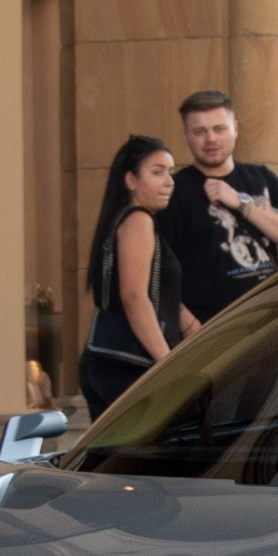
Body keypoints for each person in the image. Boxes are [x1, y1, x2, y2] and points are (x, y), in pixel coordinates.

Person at [164, 89, 278, 325]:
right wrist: (190, 328)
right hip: (211, 331)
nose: (210, 139)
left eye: (219, 129)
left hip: (267, 323)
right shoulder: (176, 191)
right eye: (200, 131)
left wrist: (242, 203)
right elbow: (159, 274)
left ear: (236, 129)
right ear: (186, 135)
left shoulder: (261, 178)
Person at [78, 135, 191, 421]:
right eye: (158, 172)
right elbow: (134, 296)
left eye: (171, 172)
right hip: (128, 367)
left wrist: (192, 326)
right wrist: (168, 364)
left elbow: (154, 293)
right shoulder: (138, 220)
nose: (169, 181)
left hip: (110, 363)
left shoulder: (124, 218)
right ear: (131, 180)